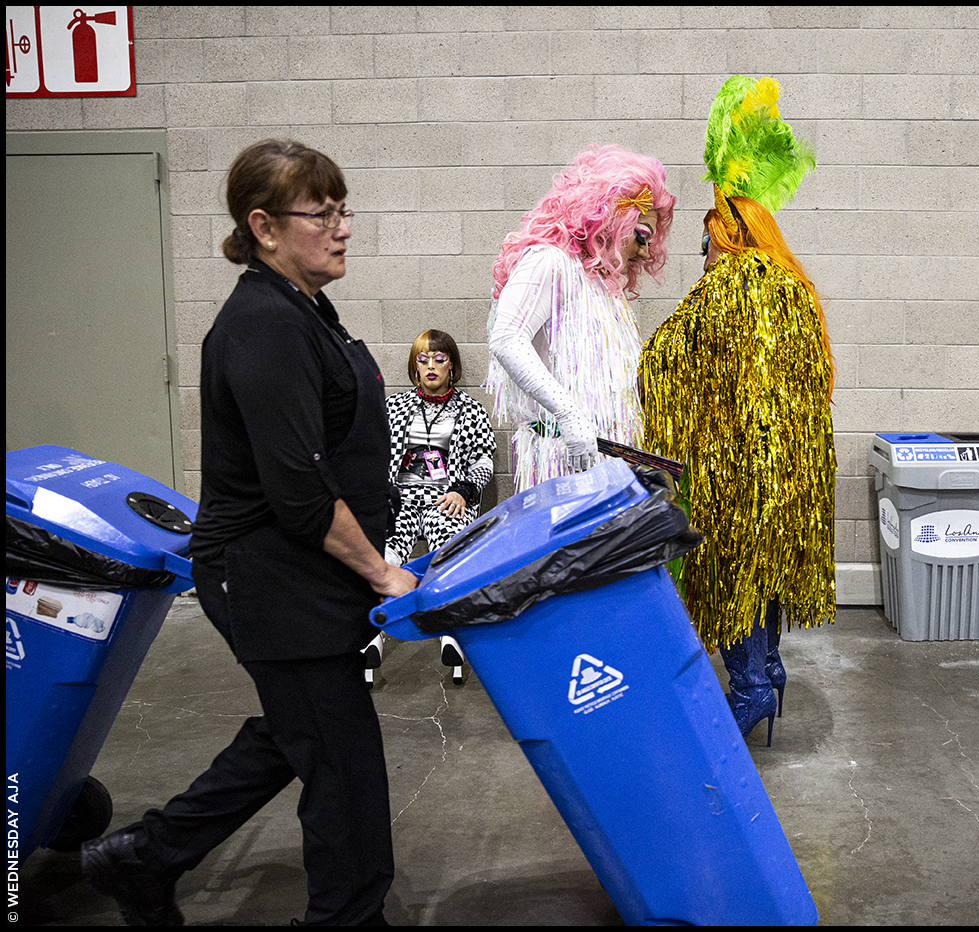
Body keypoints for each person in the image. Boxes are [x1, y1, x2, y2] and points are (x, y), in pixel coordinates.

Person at [81, 139, 417, 926]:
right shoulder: (263, 324)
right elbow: (299, 490)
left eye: (343, 211)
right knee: (343, 769)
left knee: (296, 733)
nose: (340, 229)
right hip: (269, 577)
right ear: (263, 226)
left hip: (301, 574)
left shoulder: (305, 309)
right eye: (321, 214)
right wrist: (382, 572)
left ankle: (143, 856)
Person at [640, 76, 836, 746]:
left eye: (706, 244)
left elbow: (665, 359)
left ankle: (749, 690)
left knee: (733, 575)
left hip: (736, 469)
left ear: (727, 239)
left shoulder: (723, 291)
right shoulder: (793, 287)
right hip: (789, 471)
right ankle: (770, 673)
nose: (702, 258)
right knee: (768, 569)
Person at [486, 144, 675, 492]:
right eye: (641, 236)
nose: (646, 251)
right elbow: (507, 337)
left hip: (606, 463)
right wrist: (568, 415)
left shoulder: (602, 283)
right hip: (564, 461)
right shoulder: (549, 261)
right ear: (613, 221)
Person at [361, 328, 495, 685]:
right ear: (414, 366)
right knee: (385, 555)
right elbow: (370, 454)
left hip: (445, 499)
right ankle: (372, 635)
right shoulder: (394, 407)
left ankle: (450, 633)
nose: (431, 365)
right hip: (399, 500)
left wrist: (463, 492)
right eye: (423, 359)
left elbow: (484, 460)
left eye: (439, 358)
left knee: (447, 553)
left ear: (452, 365)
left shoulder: (470, 410)